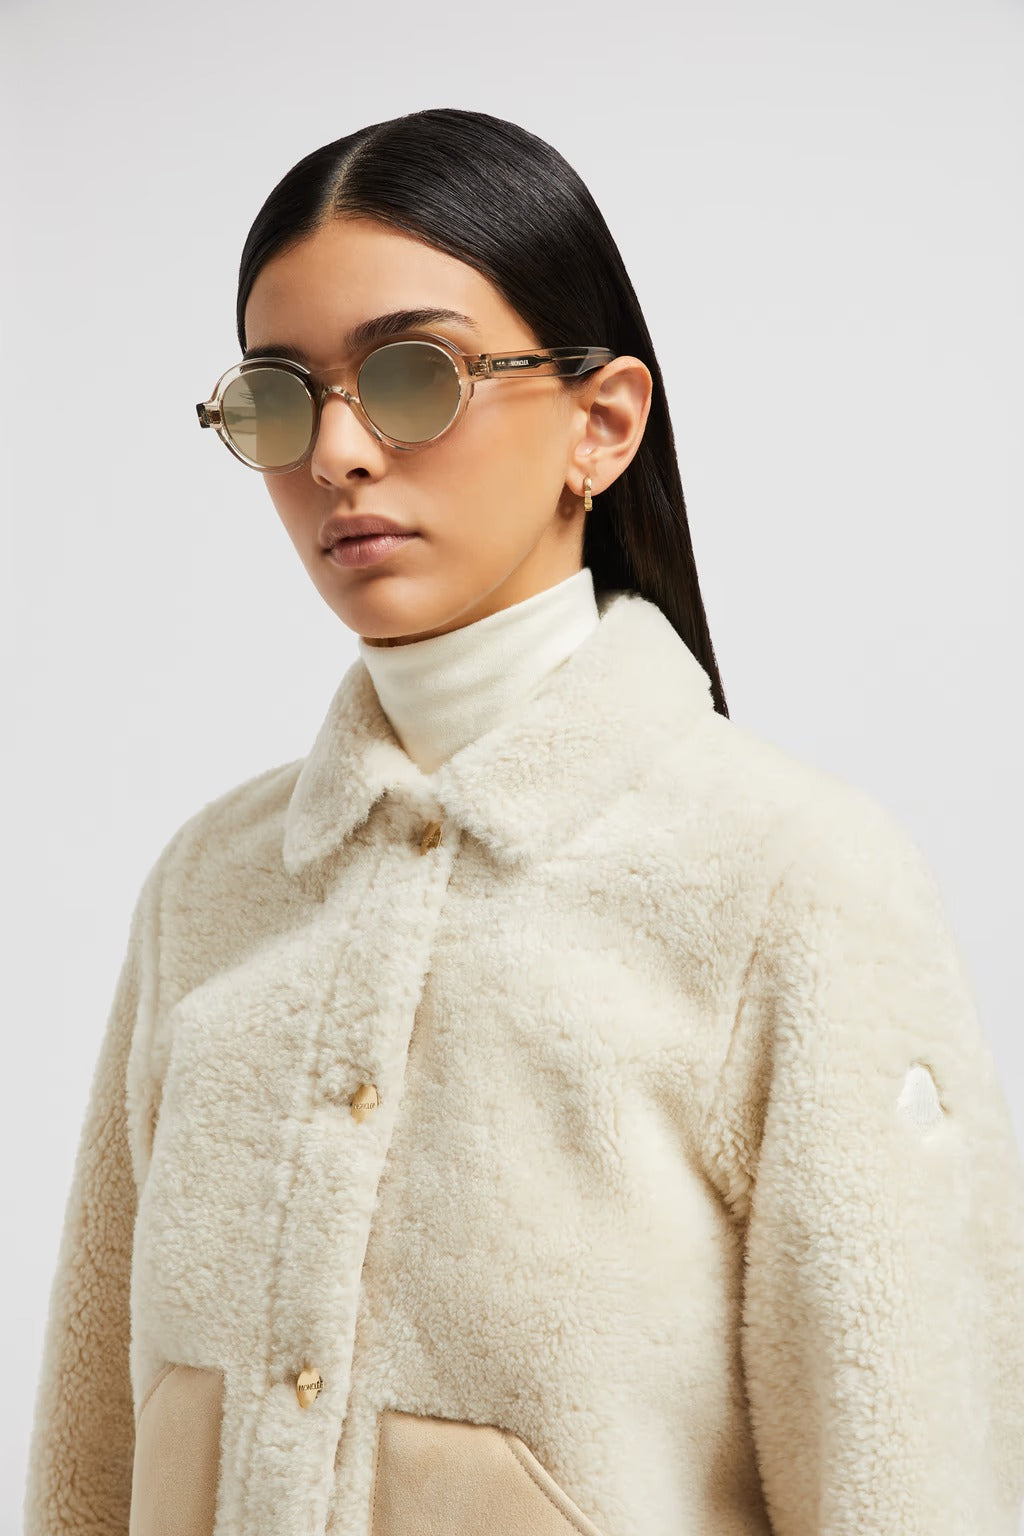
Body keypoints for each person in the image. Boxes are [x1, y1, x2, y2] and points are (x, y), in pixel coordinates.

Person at [23, 106, 1024, 1536]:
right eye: (282, 397)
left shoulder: (789, 879)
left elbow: (909, 1476)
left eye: (412, 376)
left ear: (600, 424)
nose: (339, 451)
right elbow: (87, 1457)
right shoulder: (210, 887)